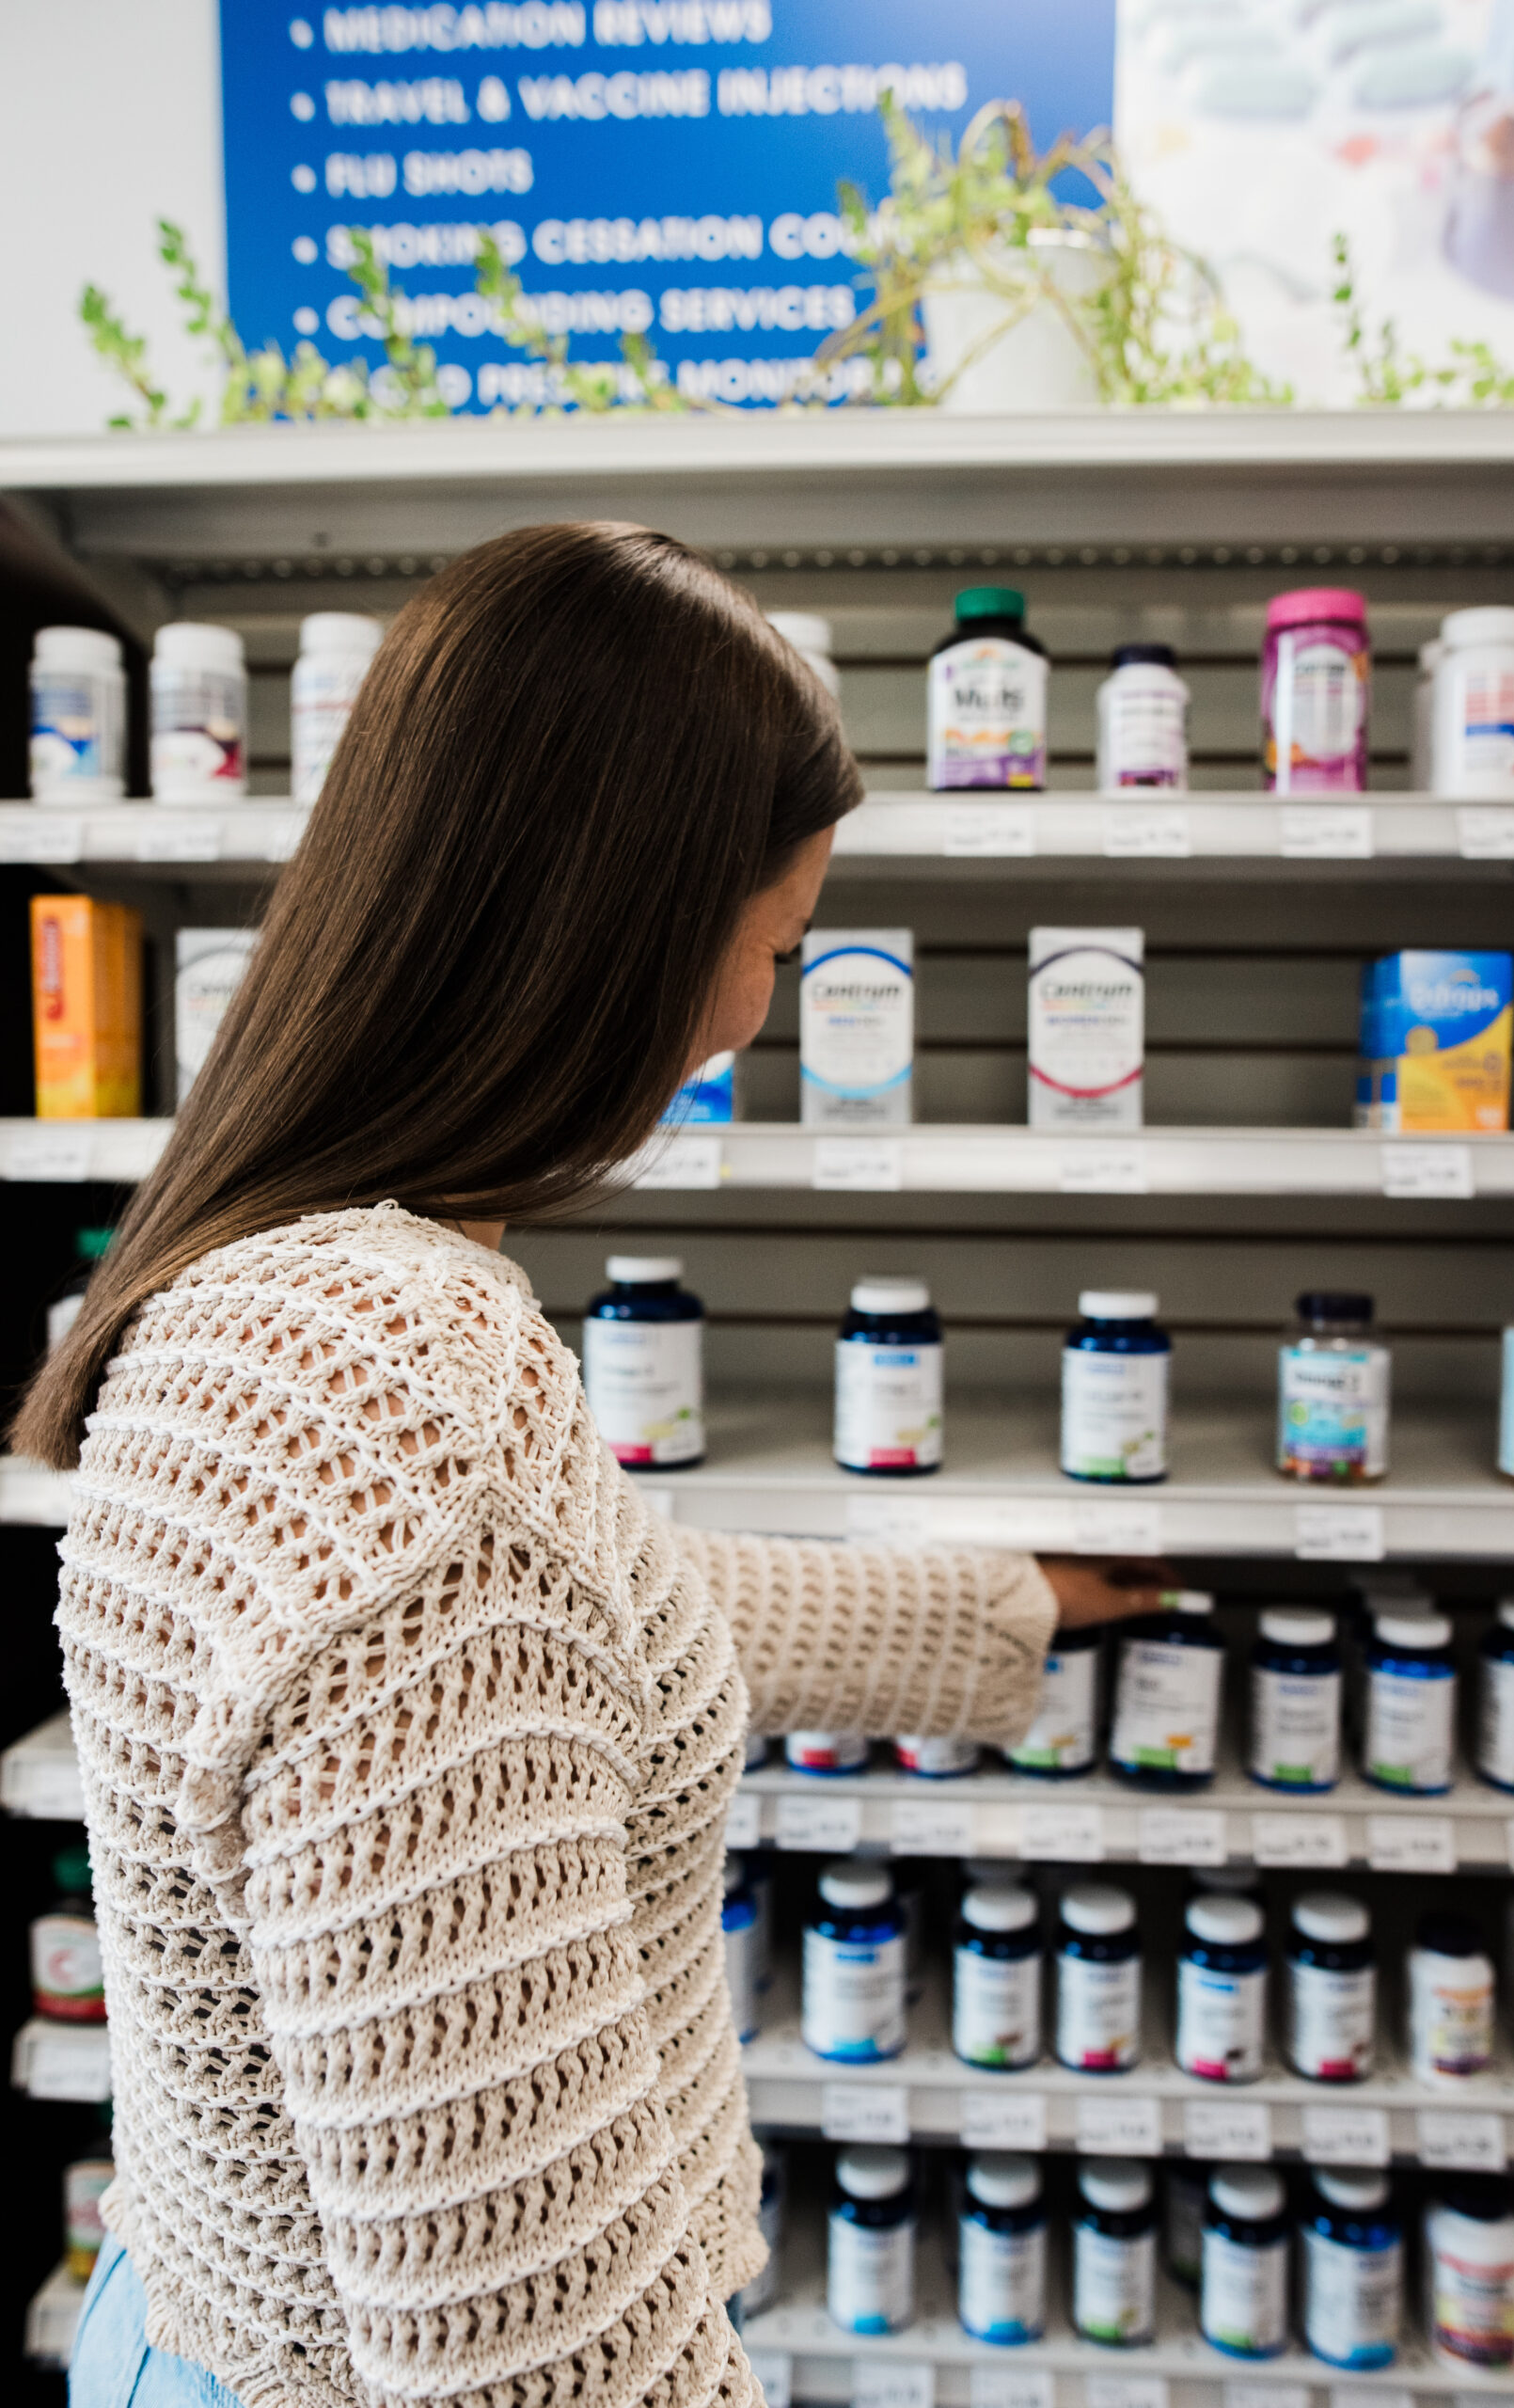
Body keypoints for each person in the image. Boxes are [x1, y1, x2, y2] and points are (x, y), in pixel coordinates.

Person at [19, 525, 1167, 2408]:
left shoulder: (270, 1282)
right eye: (773, 941)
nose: (748, 1016)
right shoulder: (406, 1382)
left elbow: (569, 1621)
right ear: (625, 922)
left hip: (194, 2318)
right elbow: (527, 2353)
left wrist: (990, 1610)